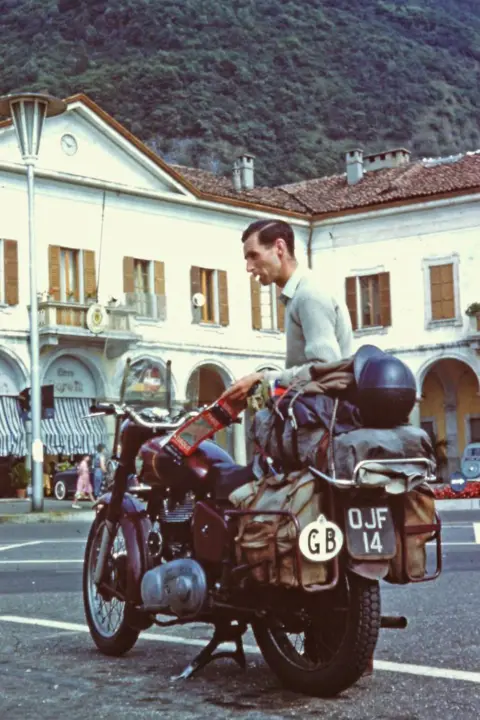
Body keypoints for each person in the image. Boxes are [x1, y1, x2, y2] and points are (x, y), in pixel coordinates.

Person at [222, 218, 353, 403]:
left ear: (279, 248)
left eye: (254, 256)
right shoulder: (302, 293)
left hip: (323, 420)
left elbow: (326, 368)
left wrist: (263, 378)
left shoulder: (309, 295)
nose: (249, 267)